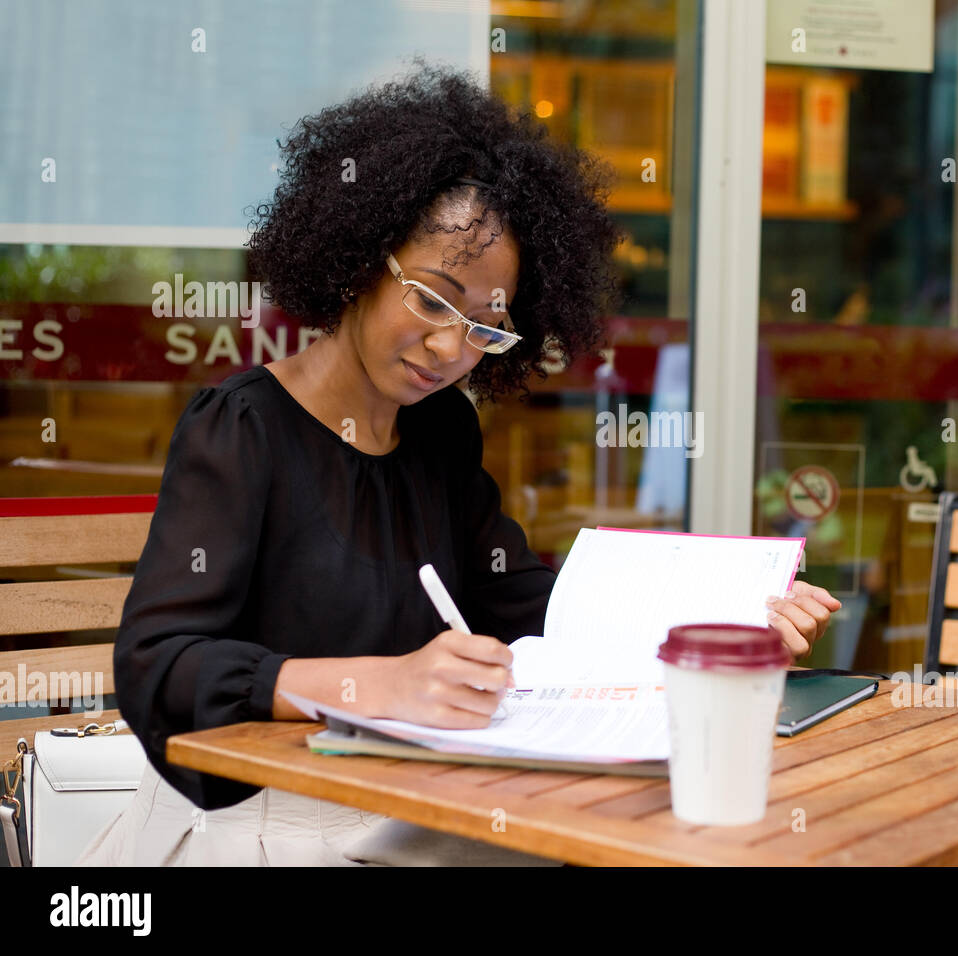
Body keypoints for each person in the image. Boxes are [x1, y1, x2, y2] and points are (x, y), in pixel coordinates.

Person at [79, 63, 839, 867]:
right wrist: (373, 685)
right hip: (257, 831)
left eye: (485, 326)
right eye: (434, 301)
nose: (450, 349)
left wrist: (719, 624)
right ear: (363, 259)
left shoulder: (438, 430)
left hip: (396, 815)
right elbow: (159, 665)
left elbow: (518, 601)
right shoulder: (243, 431)